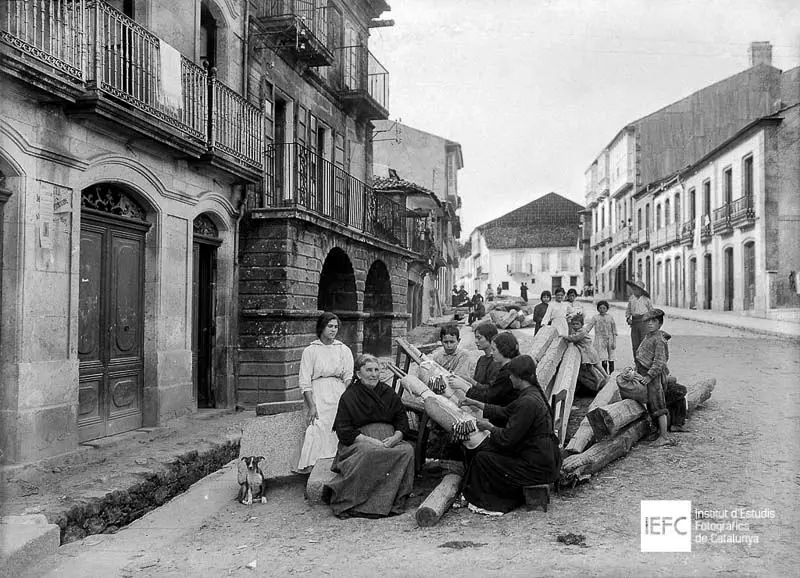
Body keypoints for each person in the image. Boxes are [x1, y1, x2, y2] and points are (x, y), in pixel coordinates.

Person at [459, 355, 562, 515]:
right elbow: (505, 411)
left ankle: (488, 500)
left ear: (520, 378)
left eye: (512, 375)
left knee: (483, 458)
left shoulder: (528, 402)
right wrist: (477, 403)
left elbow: (507, 438)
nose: (510, 378)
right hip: (541, 457)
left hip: (537, 465)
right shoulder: (531, 393)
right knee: (488, 453)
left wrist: (489, 427)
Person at [326, 354, 415, 518]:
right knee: (370, 452)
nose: (373, 374)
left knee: (407, 450)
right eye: (368, 370)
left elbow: (401, 419)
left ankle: (392, 501)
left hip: (389, 439)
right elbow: (344, 430)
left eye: (376, 370)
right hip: (359, 441)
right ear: (359, 374)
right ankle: (361, 504)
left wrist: (396, 437)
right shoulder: (349, 396)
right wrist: (370, 440)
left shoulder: (388, 392)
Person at [294, 313, 354, 473]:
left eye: (336, 327)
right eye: (330, 326)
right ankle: (316, 468)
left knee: (339, 425)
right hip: (318, 392)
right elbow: (304, 381)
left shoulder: (343, 349)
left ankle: (339, 464)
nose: (333, 330)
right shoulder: (310, 351)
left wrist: (349, 397)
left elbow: (348, 376)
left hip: (338, 391)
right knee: (319, 425)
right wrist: (311, 405)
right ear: (321, 327)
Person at [629, 309, 687, 446]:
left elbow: (659, 361)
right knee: (651, 405)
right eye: (648, 321)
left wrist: (649, 376)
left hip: (654, 378)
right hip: (645, 374)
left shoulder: (659, 340)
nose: (650, 324)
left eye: (654, 321)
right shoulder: (649, 336)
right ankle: (657, 431)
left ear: (660, 324)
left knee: (658, 405)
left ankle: (664, 436)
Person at [465, 332, 519, 407]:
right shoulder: (506, 368)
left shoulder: (507, 373)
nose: (491, 352)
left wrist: (465, 388)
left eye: (494, 350)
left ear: (503, 350)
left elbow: (490, 398)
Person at [563, 312, 607, 392]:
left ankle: (606, 376)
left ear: (582, 324)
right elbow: (573, 336)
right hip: (585, 351)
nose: (575, 326)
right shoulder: (577, 331)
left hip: (589, 351)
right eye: (573, 324)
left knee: (596, 364)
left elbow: (574, 338)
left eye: (577, 324)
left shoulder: (582, 332)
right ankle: (598, 378)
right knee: (589, 366)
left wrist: (565, 337)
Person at [585, 300, 618, 374]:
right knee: (603, 357)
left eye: (604, 308)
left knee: (611, 356)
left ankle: (612, 373)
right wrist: (583, 333)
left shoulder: (610, 317)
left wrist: (614, 342)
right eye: (600, 308)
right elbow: (589, 327)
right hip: (600, 340)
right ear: (597, 309)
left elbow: (614, 330)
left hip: (610, 339)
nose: (602, 310)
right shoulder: (595, 317)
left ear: (607, 309)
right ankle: (605, 373)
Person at [625, 279, 653, 358]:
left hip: (644, 322)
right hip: (634, 322)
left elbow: (651, 310)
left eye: (637, 289)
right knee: (635, 343)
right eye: (634, 289)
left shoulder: (646, 299)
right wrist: (628, 318)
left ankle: (644, 361)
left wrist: (651, 321)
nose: (635, 291)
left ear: (641, 291)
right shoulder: (631, 298)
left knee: (644, 342)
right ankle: (637, 361)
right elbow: (628, 310)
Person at [471, 323, 502, 387]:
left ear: (489, 338)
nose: (476, 341)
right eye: (475, 338)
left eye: (479, 338)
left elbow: (492, 388)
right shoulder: (481, 359)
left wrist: (470, 381)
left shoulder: (496, 361)